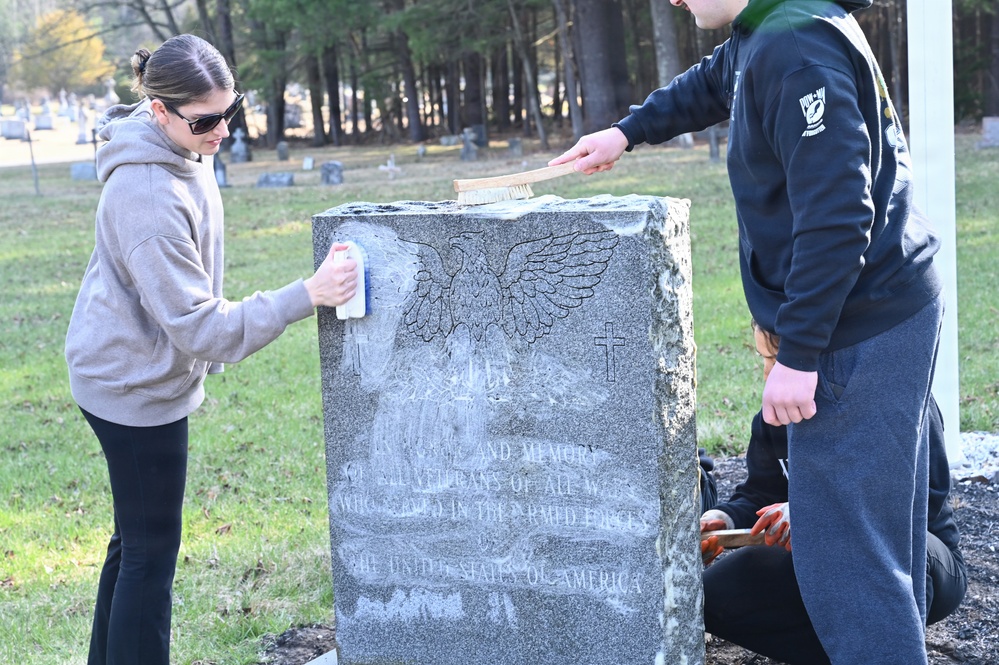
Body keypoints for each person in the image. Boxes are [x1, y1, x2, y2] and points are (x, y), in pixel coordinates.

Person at [551, 1, 944, 662]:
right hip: (880, 307)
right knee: (872, 550)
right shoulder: (773, 30)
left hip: (857, 324)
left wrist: (800, 352)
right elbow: (715, 80)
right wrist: (625, 133)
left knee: (849, 564)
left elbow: (838, 211)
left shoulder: (794, 47)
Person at [64, 34, 358, 665]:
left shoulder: (180, 146)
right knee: (150, 556)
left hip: (133, 368)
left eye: (231, 111)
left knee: (134, 544)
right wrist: (307, 293)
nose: (222, 130)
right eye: (205, 120)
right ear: (159, 111)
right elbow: (201, 327)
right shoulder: (144, 192)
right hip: (129, 384)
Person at [698, 324, 967, 664]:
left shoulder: (899, 401)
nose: (768, 373)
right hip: (814, 562)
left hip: (917, 552)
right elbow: (758, 492)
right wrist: (724, 519)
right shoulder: (773, 418)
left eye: (777, 360)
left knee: (873, 551)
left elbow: (922, 502)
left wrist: (813, 510)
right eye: (762, 359)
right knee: (710, 595)